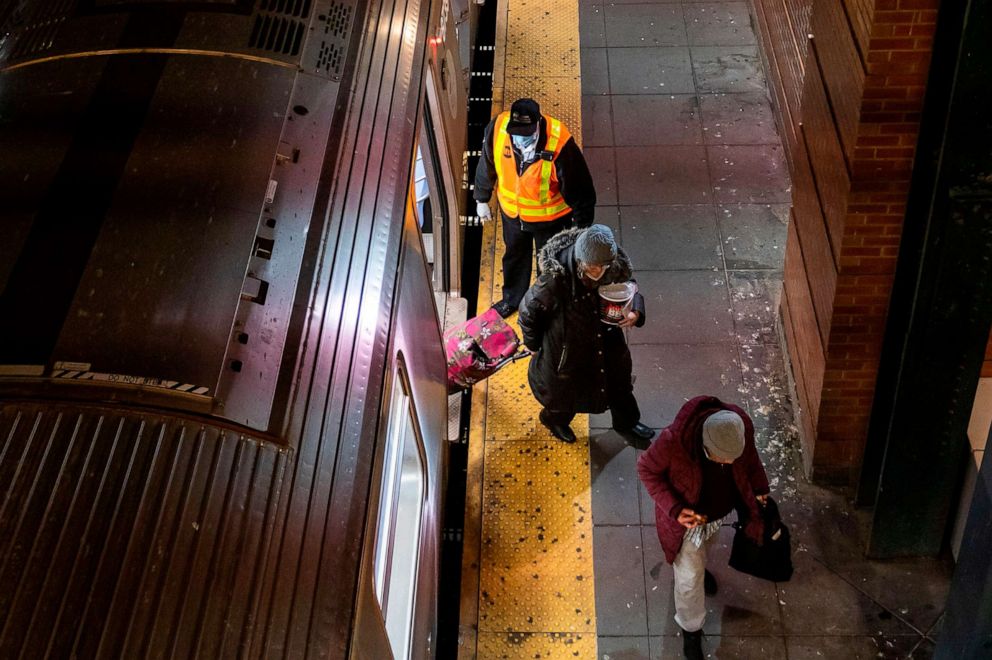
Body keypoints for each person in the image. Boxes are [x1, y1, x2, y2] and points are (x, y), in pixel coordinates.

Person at [636, 396, 771, 660]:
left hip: (715, 517)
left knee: (703, 556)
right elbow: (646, 470)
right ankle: (691, 628)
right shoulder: (673, 442)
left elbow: (751, 460)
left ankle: (699, 571)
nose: (728, 465)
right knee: (688, 580)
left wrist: (760, 487)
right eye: (721, 460)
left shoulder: (740, 425)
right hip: (686, 524)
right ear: (705, 445)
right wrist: (675, 509)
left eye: (732, 459)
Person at [517, 224, 654, 446]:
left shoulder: (612, 264)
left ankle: (627, 424)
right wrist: (533, 345)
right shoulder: (554, 280)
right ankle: (553, 420)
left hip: (607, 341)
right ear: (579, 260)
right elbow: (528, 313)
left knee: (619, 386)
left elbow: (630, 288)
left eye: (603, 267)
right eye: (592, 268)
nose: (598, 273)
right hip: (567, 351)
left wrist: (636, 310)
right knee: (563, 397)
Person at [474, 98, 596, 318]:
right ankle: (512, 299)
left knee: (548, 262)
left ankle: (546, 303)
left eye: (527, 133)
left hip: (550, 220)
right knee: (513, 256)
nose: (521, 138)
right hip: (513, 215)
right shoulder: (499, 128)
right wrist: (481, 198)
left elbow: (580, 187)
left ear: (538, 124)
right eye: (517, 132)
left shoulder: (559, 142)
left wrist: (582, 226)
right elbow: (487, 163)